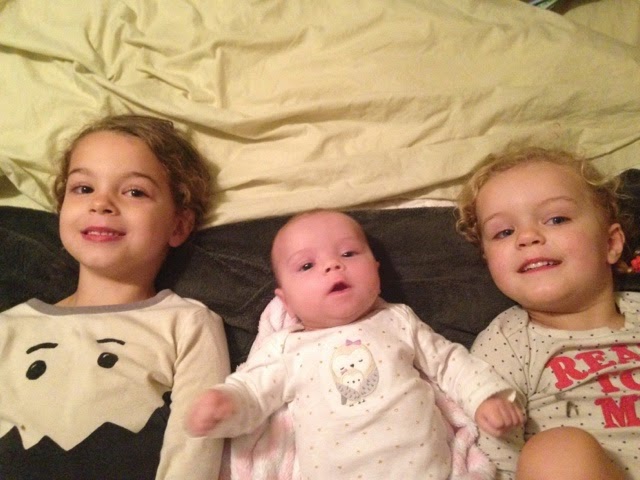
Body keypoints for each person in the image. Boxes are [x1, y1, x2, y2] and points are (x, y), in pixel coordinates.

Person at [187, 209, 523, 479]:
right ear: (285, 301)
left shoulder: (398, 320)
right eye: (307, 265)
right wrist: (226, 404)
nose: (333, 265)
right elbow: (254, 391)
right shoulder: (288, 349)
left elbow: (448, 362)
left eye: (348, 253)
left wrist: (483, 398)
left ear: (376, 271)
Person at [0, 114, 230, 479]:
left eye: (135, 192)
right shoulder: (9, 327)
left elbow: (195, 450)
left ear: (178, 225)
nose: (101, 203)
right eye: (83, 188)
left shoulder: (188, 324)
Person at [456, 147, 640, 480]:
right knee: (556, 451)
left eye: (557, 219)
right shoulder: (506, 343)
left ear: (611, 243)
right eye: (504, 232)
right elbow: (494, 457)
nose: (527, 237)